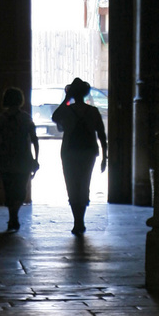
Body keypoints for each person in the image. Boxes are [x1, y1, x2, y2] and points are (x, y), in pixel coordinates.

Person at [52, 77, 107, 235]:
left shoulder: (67, 111)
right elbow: (102, 134)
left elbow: (55, 117)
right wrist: (105, 157)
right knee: (84, 183)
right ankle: (80, 220)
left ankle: (77, 220)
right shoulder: (93, 112)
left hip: (69, 151)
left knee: (72, 184)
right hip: (88, 151)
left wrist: (66, 99)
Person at [0, 86, 39, 232]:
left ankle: (12, 217)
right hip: (23, 158)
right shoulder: (25, 118)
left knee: (9, 189)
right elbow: (34, 139)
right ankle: (14, 216)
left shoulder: (0, 119)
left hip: (6, 159)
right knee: (20, 190)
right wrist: (36, 158)